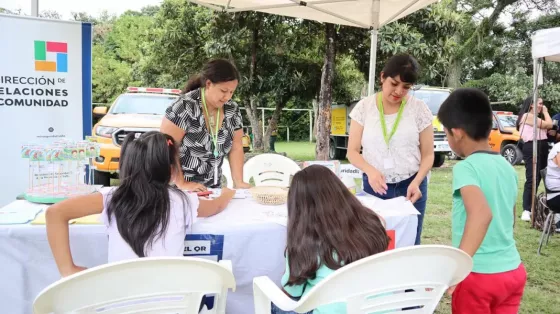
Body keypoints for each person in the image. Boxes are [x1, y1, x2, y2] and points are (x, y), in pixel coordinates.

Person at [45, 131, 235, 277]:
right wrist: (227, 192)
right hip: (174, 304)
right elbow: (216, 207)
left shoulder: (111, 197)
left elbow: (55, 213)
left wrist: (67, 269)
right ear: (170, 170)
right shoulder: (183, 200)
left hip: (119, 305)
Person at [437, 88, 526, 314]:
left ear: (457, 133)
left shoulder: (466, 168)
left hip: (478, 276)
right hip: (512, 272)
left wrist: (459, 269)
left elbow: (481, 214)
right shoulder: (508, 168)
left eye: (446, 133)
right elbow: (510, 218)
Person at [272, 165, 390, 314]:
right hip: (381, 307)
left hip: (334, 309)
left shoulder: (305, 243)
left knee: (279, 302)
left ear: (298, 208)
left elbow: (292, 293)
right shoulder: (372, 223)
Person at [347, 53, 434, 245]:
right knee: (373, 244)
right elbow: (352, 152)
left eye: (406, 87)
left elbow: (428, 155)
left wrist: (418, 181)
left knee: (410, 243)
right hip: (375, 186)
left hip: (412, 187)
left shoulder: (419, 109)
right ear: (382, 77)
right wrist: (371, 171)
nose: (399, 91)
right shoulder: (364, 108)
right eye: (394, 84)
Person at [161, 59, 251, 191]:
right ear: (208, 84)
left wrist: (239, 181)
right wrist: (182, 183)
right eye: (223, 91)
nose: (227, 97)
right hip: (178, 190)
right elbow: (166, 148)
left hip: (213, 189)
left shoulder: (232, 109)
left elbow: (236, 147)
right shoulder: (184, 107)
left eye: (232, 92)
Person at [516, 96, 553, 221]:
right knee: (532, 178)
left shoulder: (537, 118)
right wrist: (546, 112)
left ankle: (538, 206)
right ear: (532, 105)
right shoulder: (528, 116)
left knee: (542, 176)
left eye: (543, 104)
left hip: (542, 145)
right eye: (540, 103)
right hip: (532, 146)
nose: (542, 106)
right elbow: (549, 125)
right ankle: (527, 209)